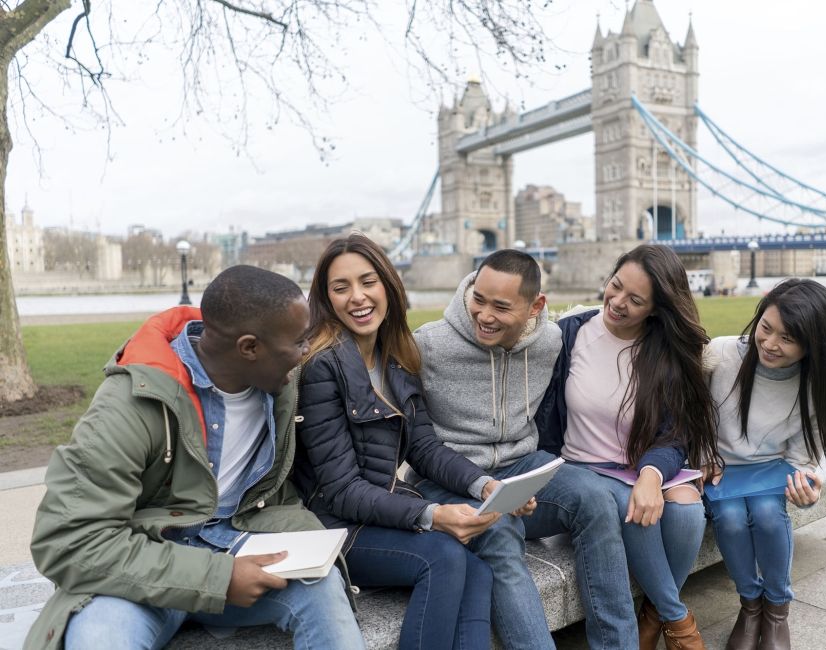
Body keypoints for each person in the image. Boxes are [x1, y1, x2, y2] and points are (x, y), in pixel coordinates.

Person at [27, 265, 364, 650]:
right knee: (100, 639)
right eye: (299, 342)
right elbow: (68, 541)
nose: (306, 353)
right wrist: (216, 578)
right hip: (144, 558)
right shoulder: (129, 405)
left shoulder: (276, 384)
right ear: (249, 347)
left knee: (323, 591)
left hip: (242, 541)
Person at [414, 249, 639, 650]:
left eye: (501, 307)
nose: (484, 315)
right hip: (447, 478)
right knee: (497, 529)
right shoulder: (428, 344)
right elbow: (413, 439)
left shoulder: (550, 340)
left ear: (536, 306)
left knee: (596, 497)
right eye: (478, 299)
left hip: (523, 470)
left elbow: (604, 321)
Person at [292, 234, 505, 650]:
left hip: (376, 510)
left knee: (478, 570)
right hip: (333, 527)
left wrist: (485, 485)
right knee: (442, 557)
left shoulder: (397, 355)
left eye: (367, 282)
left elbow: (424, 448)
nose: (358, 297)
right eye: (341, 288)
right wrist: (433, 514)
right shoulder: (323, 366)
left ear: (388, 284)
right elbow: (340, 491)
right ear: (326, 299)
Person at [535, 244, 721, 650]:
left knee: (688, 514)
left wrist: (653, 473)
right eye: (615, 286)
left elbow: (676, 435)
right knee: (629, 506)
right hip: (582, 470)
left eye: (635, 300)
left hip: (645, 465)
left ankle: (654, 614)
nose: (617, 302)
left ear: (656, 309)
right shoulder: (569, 335)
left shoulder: (667, 352)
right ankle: (678, 620)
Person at [706, 278, 826, 650]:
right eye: (766, 328)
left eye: (787, 338)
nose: (771, 344)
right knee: (728, 518)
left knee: (768, 514)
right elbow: (685, 413)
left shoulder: (817, 384)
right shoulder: (721, 354)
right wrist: (700, 452)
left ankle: (776, 610)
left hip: (772, 468)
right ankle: (750, 605)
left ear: (813, 345)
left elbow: (801, 457)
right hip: (718, 468)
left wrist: (807, 484)